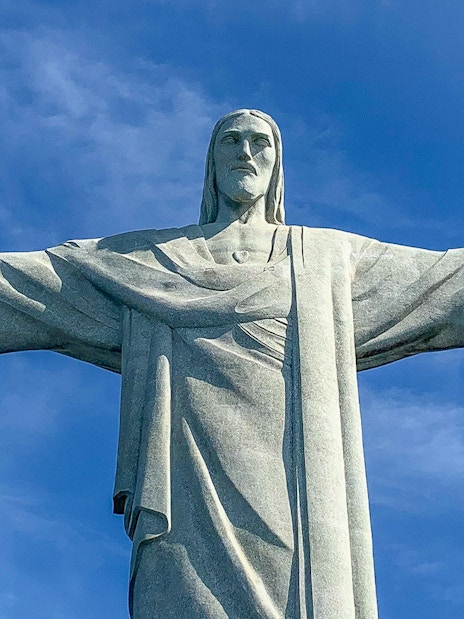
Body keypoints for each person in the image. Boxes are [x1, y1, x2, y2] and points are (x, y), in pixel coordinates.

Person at [2, 109, 464, 619]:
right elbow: (27, 285)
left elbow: (446, 284)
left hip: (299, 491)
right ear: (212, 162)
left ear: (277, 163)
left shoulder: (327, 259)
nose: (245, 153)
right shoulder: (144, 261)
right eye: (231, 142)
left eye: (260, 143)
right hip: (183, 490)